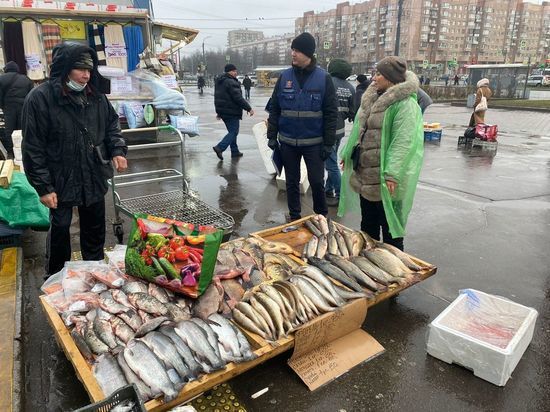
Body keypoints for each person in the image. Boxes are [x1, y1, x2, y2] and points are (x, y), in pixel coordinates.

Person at [22, 43, 128, 277]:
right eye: (80, 69)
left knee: (94, 229)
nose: (86, 75)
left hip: (93, 174)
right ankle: (56, 278)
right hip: (59, 177)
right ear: (65, 68)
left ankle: (95, 272)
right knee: (60, 229)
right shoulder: (39, 99)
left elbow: (111, 125)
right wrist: (43, 186)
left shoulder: (96, 95)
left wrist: (117, 150)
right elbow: (33, 147)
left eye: (89, 70)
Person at [338, 56, 424, 251]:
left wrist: (392, 174)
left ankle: (395, 272)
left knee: (391, 233)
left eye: (378, 74)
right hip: (367, 176)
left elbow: (403, 141)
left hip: (388, 181)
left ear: (390, 77)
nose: (373, 78)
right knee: (368, 228)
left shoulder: (405, 105)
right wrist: (348, 154)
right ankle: (370, 265)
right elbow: (360, 130)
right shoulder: (373, 98)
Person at [266, 32, 337, 221]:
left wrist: (328, 144)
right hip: (288, 142)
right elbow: (275, 108)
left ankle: (321, 217)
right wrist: (271, 136)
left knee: (316, 182)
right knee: (291, 181)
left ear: (308, 53)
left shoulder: (323, 78)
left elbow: (331, 113)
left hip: (314, 143)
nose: (293, 54)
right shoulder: (284, 77)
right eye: (292, 50)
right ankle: (295, 215)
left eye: (297, 50)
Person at [325, 58, 355, 207]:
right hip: (340, 131)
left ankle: (340, 194)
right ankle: (328, 189)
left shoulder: (326, 82)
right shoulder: (350, 87)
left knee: (330, 164)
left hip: (327, 131)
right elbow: (352, 112)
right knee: (332, 161)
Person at [213, 63, 254, 160]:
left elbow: (219, 98)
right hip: (231, 111)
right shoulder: (231, 82)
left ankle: (234, 151)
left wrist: (219, 113)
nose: (236, 73)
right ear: (229, 72)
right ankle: (220, 147)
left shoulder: (220, 81)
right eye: (234, 71)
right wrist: (248, 108)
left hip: (224, 111)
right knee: (234, 132)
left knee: (232, 132)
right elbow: (238, 98)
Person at [0, 61, 34, 159]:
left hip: (9, 108)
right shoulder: (26, 79)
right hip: (23, 107)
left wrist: (3, 106)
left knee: (10, 131)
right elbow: (31, 96)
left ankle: (12, 153)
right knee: (23, 130)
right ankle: (25, 151)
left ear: (6, 69)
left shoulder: (1, 79)